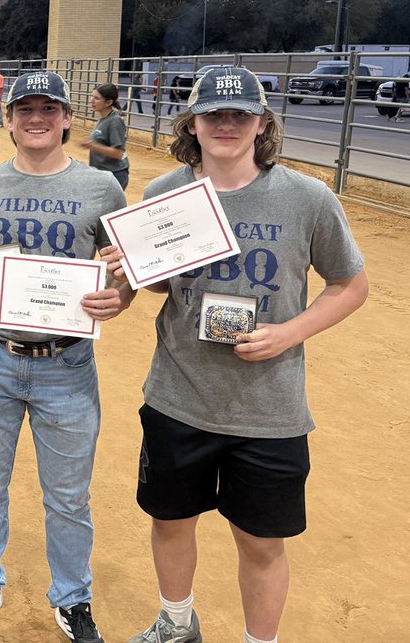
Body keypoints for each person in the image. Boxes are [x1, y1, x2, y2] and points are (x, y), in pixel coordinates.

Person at [118, 67, 368, 643]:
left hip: (269, 407)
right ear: (194, 123)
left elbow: (350, 285)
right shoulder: (165, 194)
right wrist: (131, 269)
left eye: (240, 114)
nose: (226, 125)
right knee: (171, 519)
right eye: (214, 114)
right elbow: (160, 286)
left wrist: (290, 332)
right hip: (179, 395)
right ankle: (177, 624)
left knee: (261, 540)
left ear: (262, 122)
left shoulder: (306, 198)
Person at [0, 71, 133, 643]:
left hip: (67, 363)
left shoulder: (102, 188)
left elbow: (124, 274)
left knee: (69, 495)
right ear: (8, 117)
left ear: (68, 118)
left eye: (49, 108)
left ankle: (73, 596)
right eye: (24, 108)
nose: (37, 118)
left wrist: (117, 298)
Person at [80, 83, 130, 190]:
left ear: (109, 102)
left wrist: (93, 146)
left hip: (114, 174)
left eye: (97, 98)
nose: (92, 101)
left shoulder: (115, 121)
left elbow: (118, 153)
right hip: (103, 173)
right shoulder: (103, 119)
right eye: (92, 96)